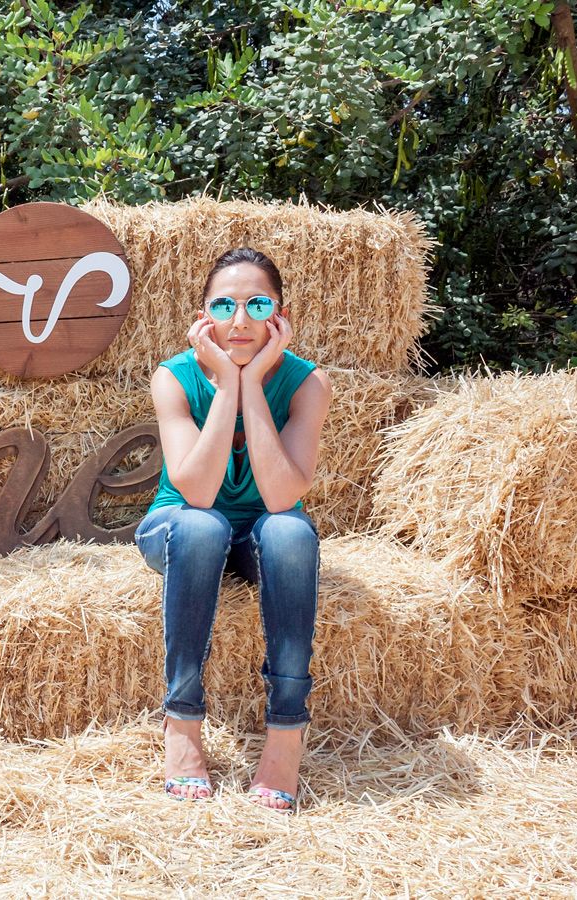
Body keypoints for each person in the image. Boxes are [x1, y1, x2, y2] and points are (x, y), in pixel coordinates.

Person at [132, 247, 333, 813]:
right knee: (202, 526)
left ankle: (285, 737)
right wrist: (225, 385)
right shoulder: (173, 377)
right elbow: (195, 491)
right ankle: (183, 725)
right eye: (224, 304)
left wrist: (256, 382)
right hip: (178, 527)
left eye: (256, 304)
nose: (239, 320)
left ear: (279, 315)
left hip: (257, 534)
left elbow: (280, 496)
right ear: (203, 317)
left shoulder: (305, 383)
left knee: (292, 532)